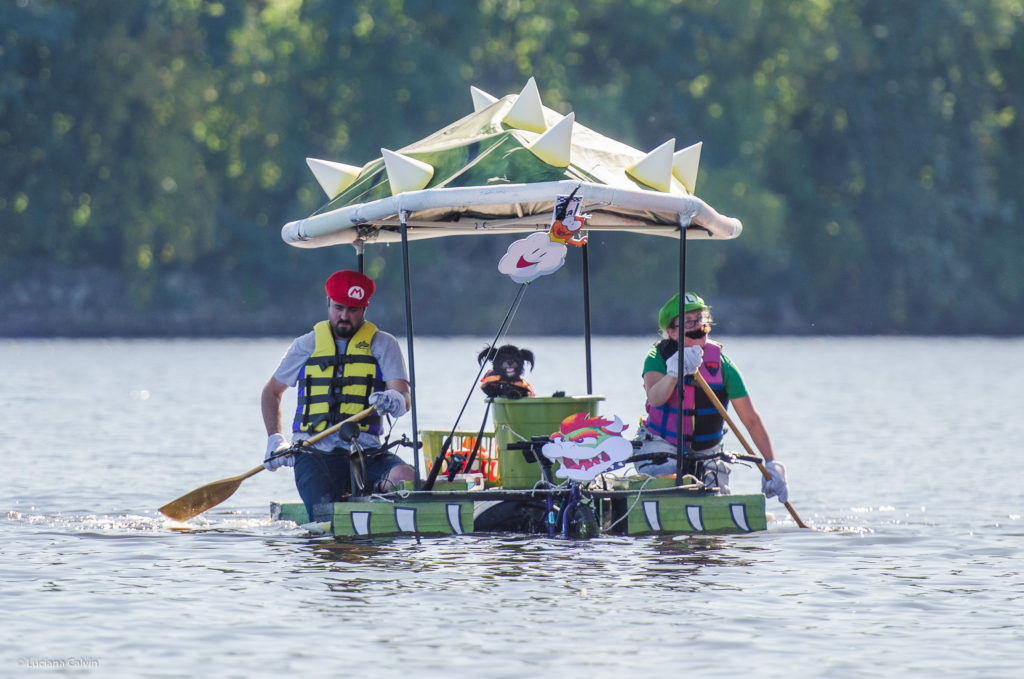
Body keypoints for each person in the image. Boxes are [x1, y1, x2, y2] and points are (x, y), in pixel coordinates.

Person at [261, 270, 414, 521]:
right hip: (315, 455)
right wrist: (275, 440)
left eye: (353, 310)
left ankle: (376, 506)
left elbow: (403, 396)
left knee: (405, 478)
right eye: (338, 308)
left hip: (367, 455)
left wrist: (393, 399)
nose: (344, 316)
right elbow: (271, 393)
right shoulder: (305, 345)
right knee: (328, 519)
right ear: (328, 303)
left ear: (365, 309)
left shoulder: (384, 344)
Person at [637, 292, 789, 503]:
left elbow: (750, 419)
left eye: (699, 319)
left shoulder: (722, 363)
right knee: (670, 488)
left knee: (714, 499)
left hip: (708, 451)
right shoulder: (657, 358)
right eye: (687, 322)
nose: (697, 326)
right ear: (671, 332)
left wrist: (772, 463)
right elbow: (655, 398)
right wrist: (674, 373)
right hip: (662, 444)